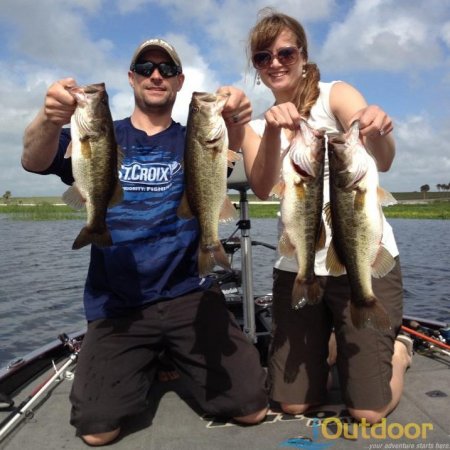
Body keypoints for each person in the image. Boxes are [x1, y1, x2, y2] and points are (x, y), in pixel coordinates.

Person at [21, 38, 268, 446]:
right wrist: (48, 120)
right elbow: (33, 159)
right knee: (96, 429)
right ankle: (152, 360)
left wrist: (238, 118)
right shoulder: (101, 132)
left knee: (252, 408)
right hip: (117, 302)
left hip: (189, 292)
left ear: (180, 82)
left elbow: (245, 161)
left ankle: (167, 354)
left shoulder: (195, 139)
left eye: (167, 70)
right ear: (131, 77)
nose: (157, 75)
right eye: (146, 67)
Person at [241, 9, 412, 425]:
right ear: (257, 68)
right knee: (294, 406)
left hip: (363, 262)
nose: (275, 62)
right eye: (263, 57)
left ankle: (399, 351)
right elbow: (262, 187)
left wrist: (380, 131)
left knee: (368, 412)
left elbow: (382, 162)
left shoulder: (335, 95)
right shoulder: (258, 126)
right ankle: (334, 342)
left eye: (285, 52)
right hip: (299, 265)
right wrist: (274, 133)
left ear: (302, 55)